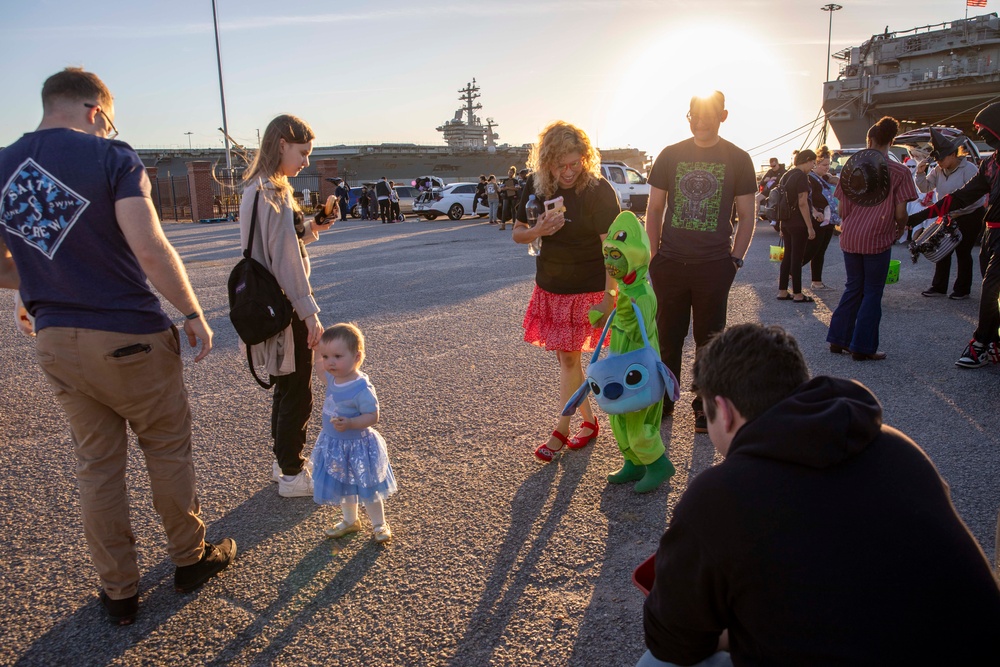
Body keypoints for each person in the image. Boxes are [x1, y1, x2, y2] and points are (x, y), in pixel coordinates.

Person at [0, 68, 236, 626]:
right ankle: (188, 558)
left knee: (97, 466)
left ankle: (120, 592)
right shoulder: (113, 158)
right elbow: (150, 247)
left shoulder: (3, 165)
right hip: (128, 334)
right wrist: (193, 311)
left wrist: (40, 285)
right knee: (166, 448)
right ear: (94, 111)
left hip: (56, 339)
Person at [638, 323, 1000, 667]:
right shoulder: (894, 444)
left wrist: (731, 633)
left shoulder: (720, 495)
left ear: (726, 411)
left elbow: (672, 640)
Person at [645, 91, 756, 433]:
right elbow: (654, 209)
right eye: (695, 114)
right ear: (688, 117)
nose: (702, 120)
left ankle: (703, 404)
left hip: (714, 264)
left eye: (709, 114)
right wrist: (654, 257)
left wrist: (734, 260)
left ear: (723, 116)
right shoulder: (670, 155)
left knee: (710, 339)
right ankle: (664, 399)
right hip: (671, 264)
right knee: (668, 336)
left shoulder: (738, 158)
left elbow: (747, 215)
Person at [511, 121, 620, 462]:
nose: (569, 172)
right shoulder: (535, 185)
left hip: (588, 288)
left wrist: (609, 298)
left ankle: (561, 429)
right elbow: (517, 233)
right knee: (567, 360)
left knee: (570, 359)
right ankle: (589, 423)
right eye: (561, 165)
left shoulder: (598, 190)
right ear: (547, 162)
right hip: (552, 287)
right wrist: (538, 230)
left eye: (576, 163)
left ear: (585, 159)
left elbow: (612, 252)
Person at [240, 114, 333, 498]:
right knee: (296, 390)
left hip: (269, 303)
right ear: (282, 144)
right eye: (303, 152)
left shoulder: (257, 188)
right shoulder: (274, 193)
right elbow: (286, 260)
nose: (307, 162)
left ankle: (283, 463)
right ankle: (293, 474)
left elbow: (282, 246)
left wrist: (316, 226)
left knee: (285, 384)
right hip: (286, 305)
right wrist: (309, 313)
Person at [908, 102, 1000, 368]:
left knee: (991, 288)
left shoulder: (978, 166)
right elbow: (960, 197)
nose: (983, 137)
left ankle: (980, 343)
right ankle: (994, 342)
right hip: (990, 237)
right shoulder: (989, 165)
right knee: (994, 290)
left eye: (986, 131)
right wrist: (921, 216)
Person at [827, 116, 917, 361]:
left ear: (870, 140)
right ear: (891, 141)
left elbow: (843, 211)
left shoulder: (850, 169)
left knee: (853, 287)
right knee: (873, 291)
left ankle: (838, 339)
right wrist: (899, 229)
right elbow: (900, 213)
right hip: (877, 238)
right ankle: (863, 347)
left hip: (851, 236)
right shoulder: (899, 171)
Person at [312, 323, 397, 543]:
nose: (330, 362)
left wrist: (351, 423)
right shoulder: (332, 378)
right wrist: (315, 350)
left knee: (368, 487)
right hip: (336, 444)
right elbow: (319, 368)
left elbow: (372, 416)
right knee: (344, 484)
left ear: (357, 357)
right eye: (326, 356)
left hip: (358, 445)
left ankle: (379, 524)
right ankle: (350, 521)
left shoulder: (361, 387)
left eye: (337, 356)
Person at [915, 128, 986, 300]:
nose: (939, 162)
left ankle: (962, 289)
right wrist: (919, 173)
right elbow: (925, 188)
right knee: (942, 249)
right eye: (937, 159)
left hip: (969, 215)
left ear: (953, 154)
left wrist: (958, 212)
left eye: (942, 158)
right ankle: (939, 287)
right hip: (948, 215)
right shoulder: (938, 171)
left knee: (963, 251)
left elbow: (977, 197)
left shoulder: (968, 168)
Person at [775, 149, 818, 302]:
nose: (813, 166)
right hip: (798, 223)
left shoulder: (786, 175)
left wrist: (781, 225)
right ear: (806, 160)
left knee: (787, 256)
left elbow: (781, 201)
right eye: (813, 162)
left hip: (786, 221)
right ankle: (798, 293)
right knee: (797, 258)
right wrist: (810, 226)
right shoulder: (801, 177)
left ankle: (782, 290)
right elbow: (802, 202)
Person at [802, 145, 839, 289]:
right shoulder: (810, 179)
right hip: (818, 218)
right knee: (812, 249)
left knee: (821, 250)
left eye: (829, 164)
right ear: (815, 163)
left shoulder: (825, 178)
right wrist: (814, 212)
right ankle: (790, 272)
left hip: (828, 218)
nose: (827, 167)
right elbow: (805, 198)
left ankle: (817, 281)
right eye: (824, 164)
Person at [500, 165, 519, 231]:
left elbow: (516, 189)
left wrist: (508, 188)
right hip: (506, 196)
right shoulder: (505, 180)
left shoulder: (515, 181)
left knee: (513, 210)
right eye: (509, 172)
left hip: (513, 197)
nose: (509, 173)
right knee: (504, 210)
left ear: (513, 174)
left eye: (511, 172)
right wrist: (504, 188)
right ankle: (503, 224)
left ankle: (514, 225)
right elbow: (502, 188)